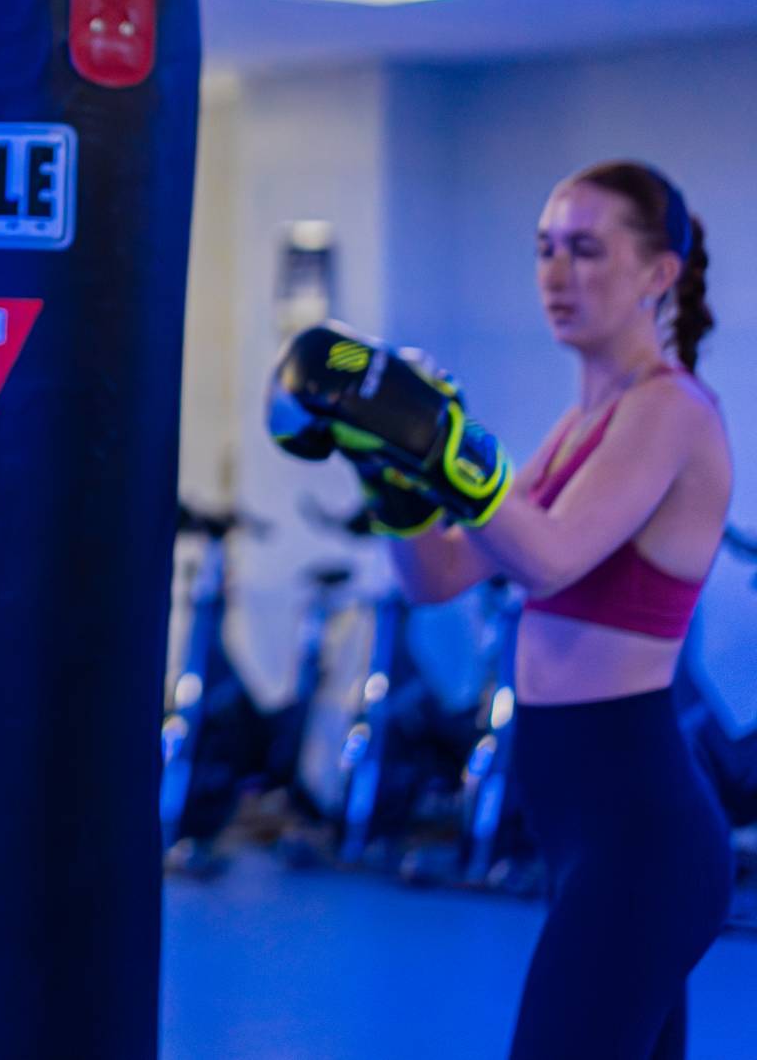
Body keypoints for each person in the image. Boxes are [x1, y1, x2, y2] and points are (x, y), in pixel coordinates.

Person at [268, 160, 731, 1060]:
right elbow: (437, 574)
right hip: (585, 827)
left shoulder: (670, 411)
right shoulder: (576, 426)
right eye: (545, 250)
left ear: (658, 274)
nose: (558, 275)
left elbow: (551, 560)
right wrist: (390, 471)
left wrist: (441, 442)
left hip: (642, 833)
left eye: (588, 250)